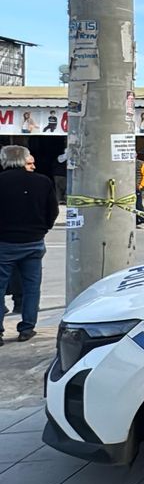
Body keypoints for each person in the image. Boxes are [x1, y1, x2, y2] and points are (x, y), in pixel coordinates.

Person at [0, 146, 58, 344]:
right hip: (33, 241)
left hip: (4, 242)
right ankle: (27, 328)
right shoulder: (43, 182)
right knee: (31, 287)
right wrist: (43, 229)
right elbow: (52, 211)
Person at [135, 158, 144, 227]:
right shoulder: (124, 163)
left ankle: (142, 221)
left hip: (136, 188)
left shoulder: (141, 164)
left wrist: (140, 186)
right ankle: (135, 221)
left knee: (138, 205)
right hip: (128, 188)